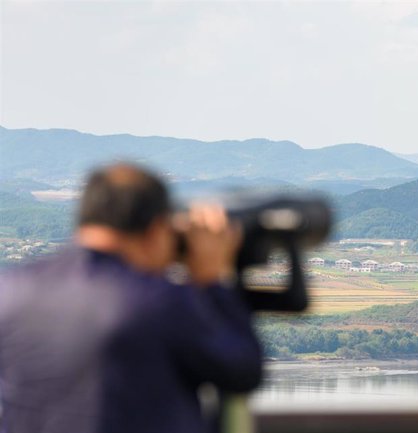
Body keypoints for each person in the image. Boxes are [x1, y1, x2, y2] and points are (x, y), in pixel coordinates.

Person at [0, 163, 262, 433]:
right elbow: (241, 370)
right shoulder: (159, 301)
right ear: (158, 229)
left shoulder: (11, 290)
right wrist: (211, 281)